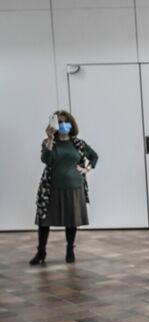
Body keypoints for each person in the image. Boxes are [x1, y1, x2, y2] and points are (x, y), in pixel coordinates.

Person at [31, 110, 98, 265]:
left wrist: (86, 169)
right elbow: (46, 159)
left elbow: (94, 156)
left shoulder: (78, 144)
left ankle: (70, 250)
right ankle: (41, 252)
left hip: (74, 187)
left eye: (65, 121)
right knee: (44, 220)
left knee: (71, 220)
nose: (62, 125)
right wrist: (49, 138)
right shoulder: (49, 143)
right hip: (51, 188)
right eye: (59, 122)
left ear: (71, 124)